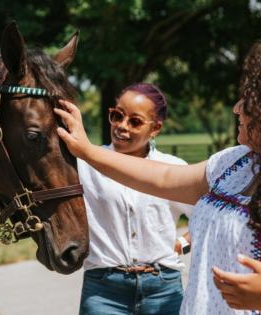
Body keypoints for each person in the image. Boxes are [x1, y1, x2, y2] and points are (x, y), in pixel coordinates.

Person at [54, 35, 261, 314]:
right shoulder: (233, 164)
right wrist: (86, 150)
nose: (236, 108)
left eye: (249, 100)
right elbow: (163, 179)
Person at [77, 83, 192, 315]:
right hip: (103, 290)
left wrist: (182, 243)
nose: (122, 126)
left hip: (164, 290)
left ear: (155, 128)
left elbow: (208, 216)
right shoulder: (85, 165)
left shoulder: (172, 168)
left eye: (135, 121)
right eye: (117, 116)